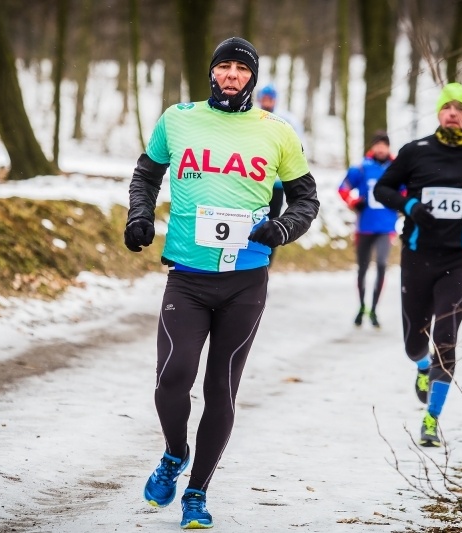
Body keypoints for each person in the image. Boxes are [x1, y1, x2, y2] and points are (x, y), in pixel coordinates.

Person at [124, 36, 319, 529]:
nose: (231, 76)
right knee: (173, 377)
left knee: (221, 390)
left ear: (252, 78)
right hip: (187, 277)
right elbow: (146, 175)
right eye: (224, 67)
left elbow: (306, 199)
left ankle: (197, 492)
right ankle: (174, 454)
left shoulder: (277, 131)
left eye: (241, 69)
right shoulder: (179, 118)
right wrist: (140, 217)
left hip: (245, 281)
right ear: (212, 73)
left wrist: (282, 228)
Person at [374, 82, 462, 448]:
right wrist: (410, 206)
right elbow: (382, 190)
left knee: (446, 338)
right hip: (418, 257)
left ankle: (431, 419)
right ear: (438, 113)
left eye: (461, 108)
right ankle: (421, 366)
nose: (453, 112)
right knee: (414, 344)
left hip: (459, 259)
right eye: (447, 106)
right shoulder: (415, 152)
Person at [338, 130, 399, 328]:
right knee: (362, 269)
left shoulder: (397, 168)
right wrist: (354, 202)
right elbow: (343, 188)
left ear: (388, 147)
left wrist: (402, 205)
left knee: (381, 265)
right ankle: (362, 306)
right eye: (377, 144)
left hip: (385, 227)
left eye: (384, 144)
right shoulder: (362, 168)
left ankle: (374, 309)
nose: (381, 148)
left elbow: (407, 191)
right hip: (364, 227)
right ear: (372, 147)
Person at [256, 84, 306, 267]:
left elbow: (299, 148)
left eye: (271, 98)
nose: (267, 102)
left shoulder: (287, 120)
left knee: (273, 222)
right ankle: (252, 262)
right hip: (254, 181)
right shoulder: (251, 117)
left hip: (276, 183)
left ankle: (266, 264)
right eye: (264, 98)